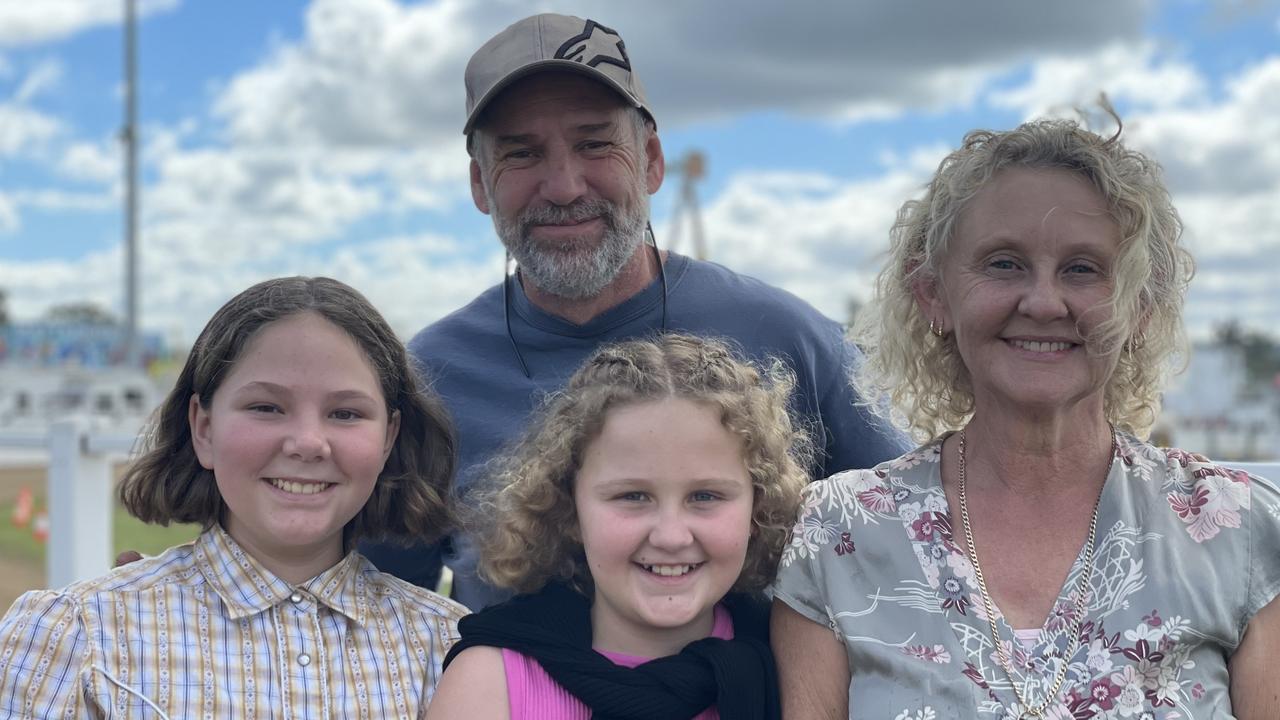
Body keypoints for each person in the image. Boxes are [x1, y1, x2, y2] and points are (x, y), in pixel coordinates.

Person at [360, 11, 906, 611]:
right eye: (522, 154)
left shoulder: (788, 339)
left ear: (649, 159)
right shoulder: (427, 380)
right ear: (480, 185)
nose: (564, 186)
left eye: (594, 143)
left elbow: (915, 544)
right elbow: (379, 613)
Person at [770, 112, 1280, 718]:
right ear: (933, 293)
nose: (1043, 302)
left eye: (1083, 269)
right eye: (1004, 263)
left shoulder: (1239, 531)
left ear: (1139, 306)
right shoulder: (839, 533)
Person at [0, 277, 467, 718]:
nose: (307, 442)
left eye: (345, 413)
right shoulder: (76, 637)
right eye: (266, 407)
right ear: (203, 427)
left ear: (389, 438)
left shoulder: (449, 647)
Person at [427, 334, 808, 720]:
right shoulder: (490, 683)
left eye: (706, 496)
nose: (671, 537)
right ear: (568, 508)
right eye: (633, 496)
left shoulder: (799, 668)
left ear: (757, 510)